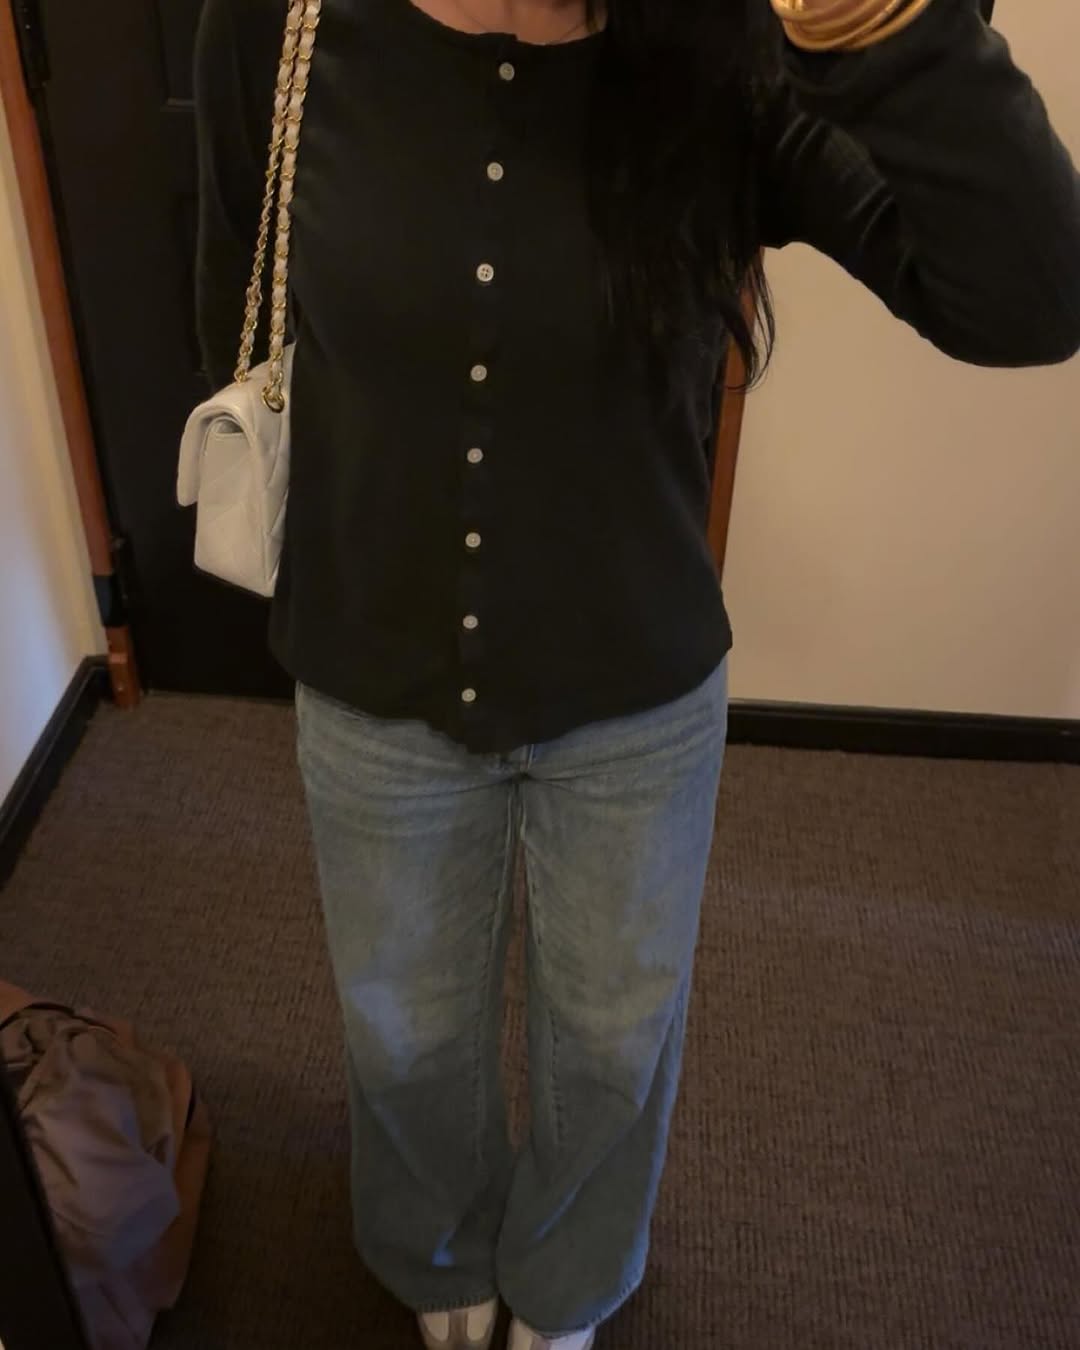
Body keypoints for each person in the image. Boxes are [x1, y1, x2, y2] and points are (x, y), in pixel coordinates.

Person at [193, 0, 1080, 1346]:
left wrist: (882, 26)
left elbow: (1028, 298)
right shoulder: (281, 23)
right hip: (372, 659)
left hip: (633, 680)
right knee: (402, 1032)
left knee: (614, 1042)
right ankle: (433, 1252)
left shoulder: (725, 47)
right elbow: (231, 301)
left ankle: (570, 1279)